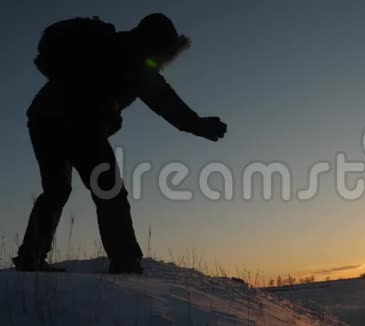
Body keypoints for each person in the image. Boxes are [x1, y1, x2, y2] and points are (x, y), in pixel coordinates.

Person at [13, 13, 227, 273]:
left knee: (56, 190)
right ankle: (125, 260)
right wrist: (197, 124)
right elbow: (164, 101)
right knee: (109, 191)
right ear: (156, 42)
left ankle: (30, 258)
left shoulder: (113, 44)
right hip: (79, 124)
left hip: (42, 119)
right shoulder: (134, 58)